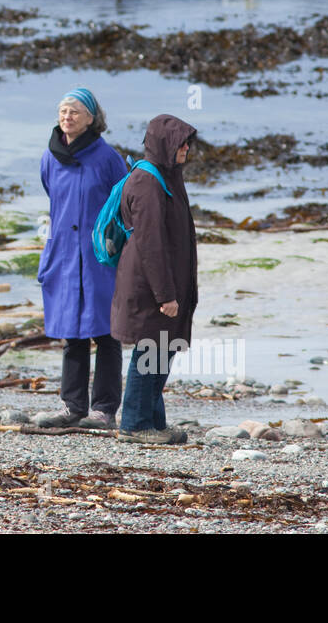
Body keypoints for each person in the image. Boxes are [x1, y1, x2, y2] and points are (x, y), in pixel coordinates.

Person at [34, 88, 128, 429]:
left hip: (99, 256)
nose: (67, 116)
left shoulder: (107, 158)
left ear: (92, 118)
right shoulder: (49, 157)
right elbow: (52, 198)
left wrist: (116, 244)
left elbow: (125, 202)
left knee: (105, 332)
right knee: (70, 332)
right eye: (62, 110)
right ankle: (72, 407)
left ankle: (104, 410)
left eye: (74, 111)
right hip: (62, 255)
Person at [112, 114, 199, 444]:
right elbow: (150, 243)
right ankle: (134, 425)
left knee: (163, 348)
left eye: (188, 141)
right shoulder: (147, 181)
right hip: (149, 285)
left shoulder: (167, 175)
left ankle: (154, 422)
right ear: (165, 143)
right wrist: (165, 294)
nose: (187, 147)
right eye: (181, 142)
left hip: (164, 283)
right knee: (150, 349)